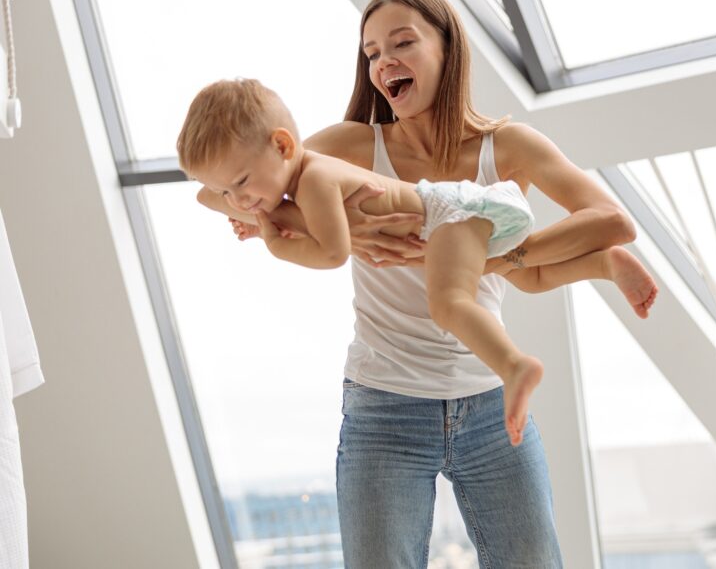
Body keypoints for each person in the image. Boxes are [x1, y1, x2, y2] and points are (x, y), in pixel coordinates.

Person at [196, 0, 643, 567]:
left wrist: (490, 260)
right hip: (384, 409)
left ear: (447, 48)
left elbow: (613, 221)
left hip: (490, 406)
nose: (384, 62)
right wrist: (334, 231)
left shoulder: (507, 147)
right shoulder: (352, 146)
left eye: (402, 43)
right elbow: (216, 190)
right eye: (372, 52)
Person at [177, 77, 657, 444]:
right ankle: (605, 265)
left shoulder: (316, 179)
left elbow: (333, 251)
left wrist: (274, 239)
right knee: (526, 277)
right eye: (228, 191)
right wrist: (255, 206)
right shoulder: (305, 172)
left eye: (241, 183)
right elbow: (205, 196)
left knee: (448, 304)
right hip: (459, 214)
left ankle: (513, 366)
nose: (236, 200)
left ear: (282, 145)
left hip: (449, 215)